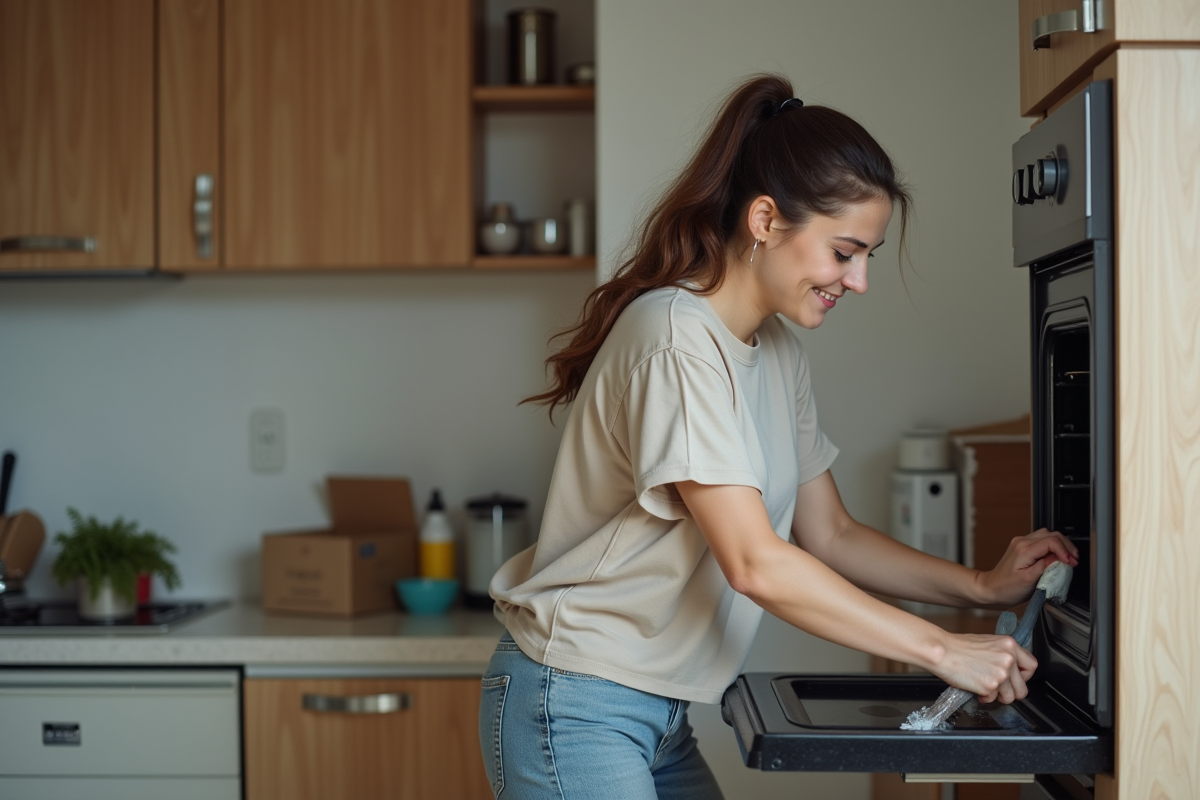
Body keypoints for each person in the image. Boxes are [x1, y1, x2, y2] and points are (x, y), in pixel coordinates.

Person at [476, 74, 1078, 800]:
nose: (858, 282)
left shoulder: (776, 351)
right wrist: (943, 649)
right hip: (574, 702)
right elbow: (756, 563)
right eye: (844, 252)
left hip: (656, 711)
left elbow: (831, 535)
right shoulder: (676, 339)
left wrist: (980, 587)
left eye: (868, 258)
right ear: (765, 221)